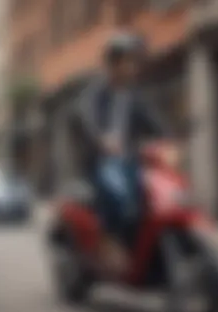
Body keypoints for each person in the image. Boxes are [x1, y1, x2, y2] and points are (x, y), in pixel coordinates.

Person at [70, 32, 170, 277]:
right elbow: (85, 117)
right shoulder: (94, 94)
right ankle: (108, 242)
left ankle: (146, 251)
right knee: (117, 192)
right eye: (127, 61)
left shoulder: (136, 96)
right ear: (113, 64)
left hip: (131, 161)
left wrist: (170, 140)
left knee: (154, 198)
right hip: (100, 161)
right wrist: (100, 139)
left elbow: (155, 122)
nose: (132, 67)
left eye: (134, 62)